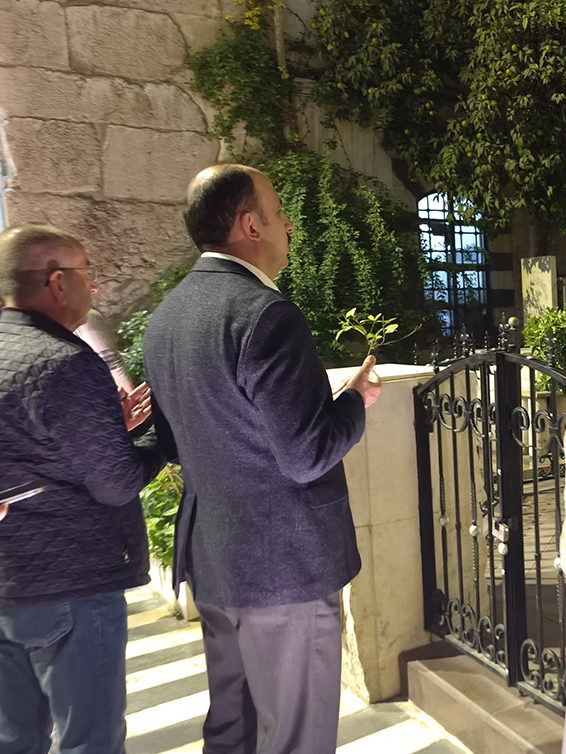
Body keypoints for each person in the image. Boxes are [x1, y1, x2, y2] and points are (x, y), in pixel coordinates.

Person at [143, 164, 381, 754]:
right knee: (298, 736)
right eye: (278, 212)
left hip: (214, 561)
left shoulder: (165, 319)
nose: (290, 224)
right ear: (250, 226)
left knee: (232, 730)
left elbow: (174, 443)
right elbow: (306, 456)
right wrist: (354, 402)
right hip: (285, 569)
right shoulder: (265, 315)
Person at [0, 223, 166, 754]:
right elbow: (115, 484)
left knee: (14, 738)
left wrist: (111, 429)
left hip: (7, 585)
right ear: (56, 281)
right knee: (89, 741)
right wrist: (158, 440)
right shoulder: (66, 362)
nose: (93, 286)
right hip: (69, 585)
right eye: (86, 273)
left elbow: (35, 446)